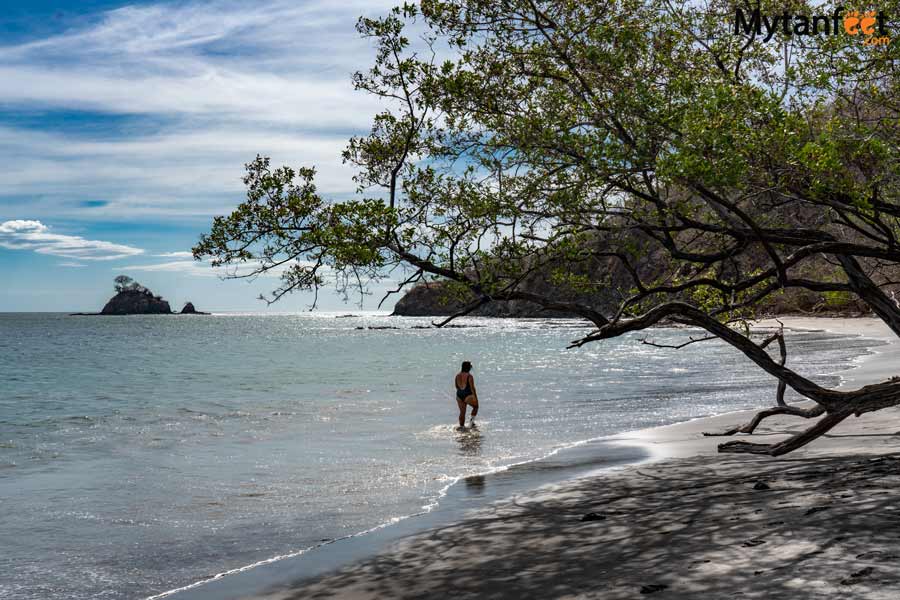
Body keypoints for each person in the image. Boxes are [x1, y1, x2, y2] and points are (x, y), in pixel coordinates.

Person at [454, 361, 479, 428]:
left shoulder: (457, 375)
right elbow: (472, 388)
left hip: (459, 395)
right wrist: (475, 397)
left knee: (462, 412)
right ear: (468, 367)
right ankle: (471, 423)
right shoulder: (469, 376)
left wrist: (461, 392)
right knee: (476, 407)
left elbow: (456, 386)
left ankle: (462, 427)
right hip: (467, 394)